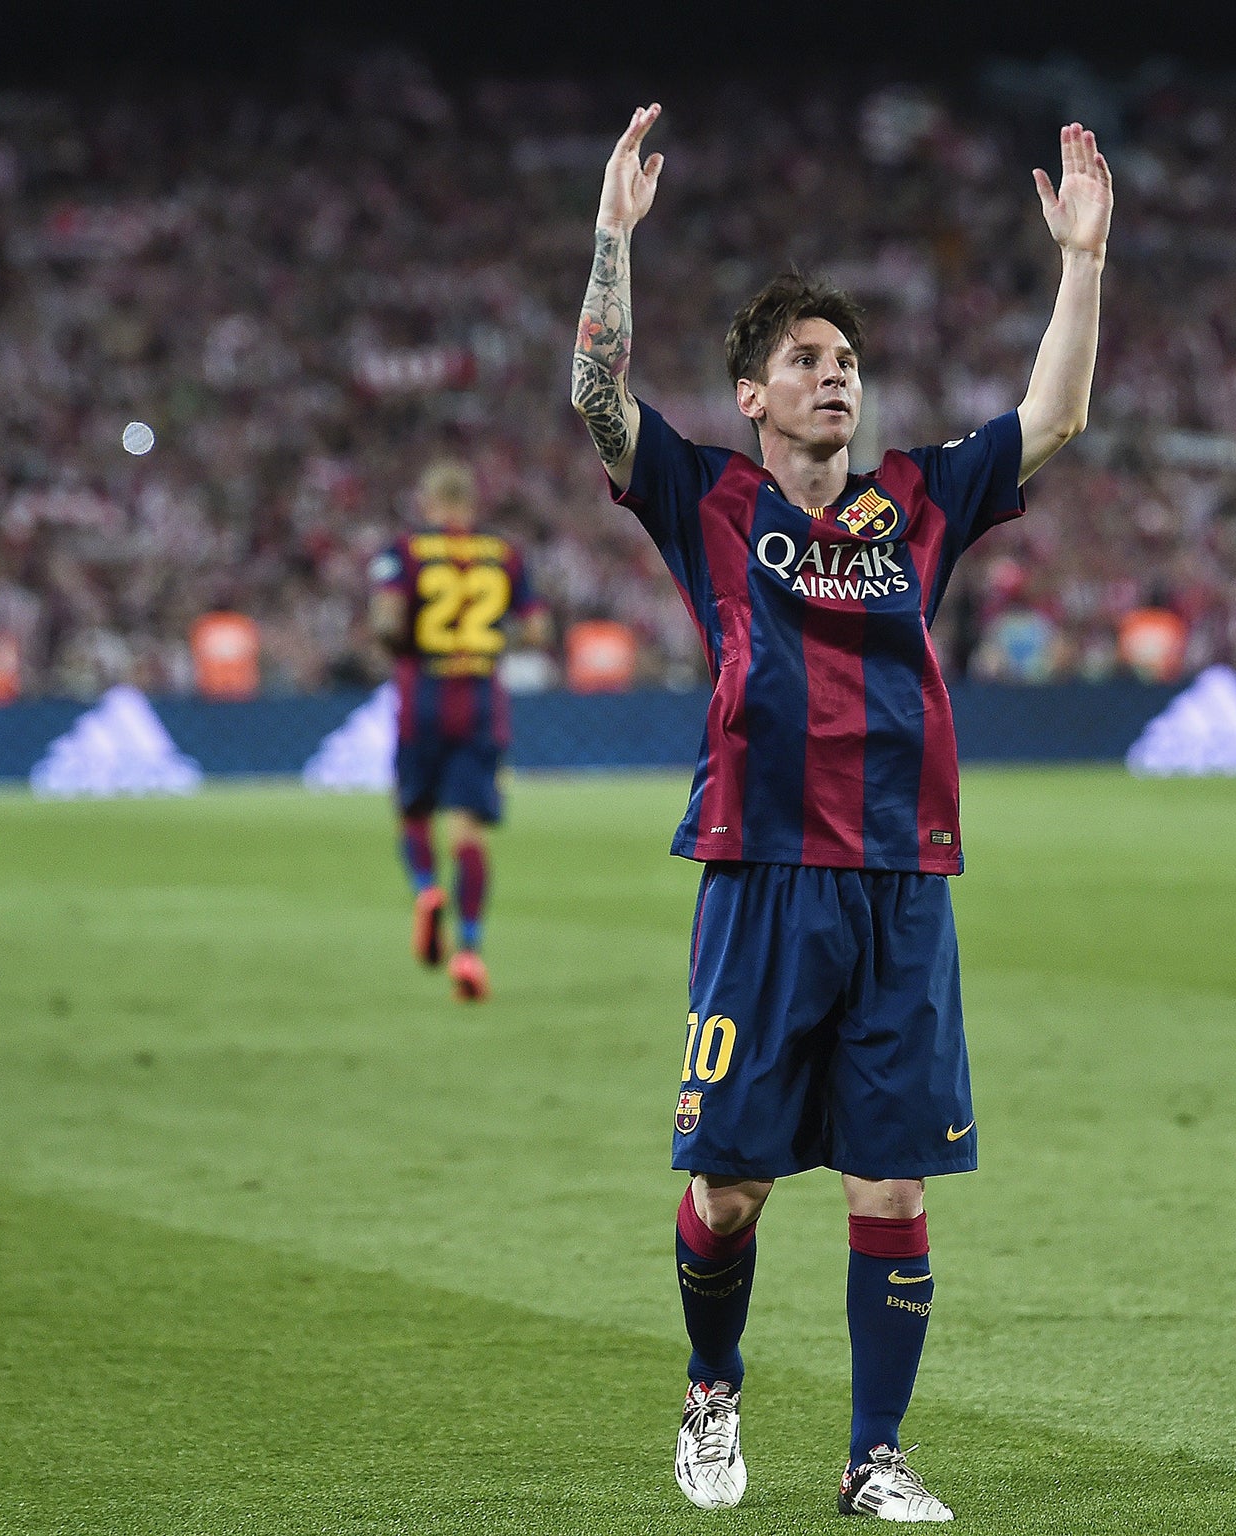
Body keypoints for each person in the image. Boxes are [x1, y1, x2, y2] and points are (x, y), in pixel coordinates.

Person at [570, 104, 1110, 1521]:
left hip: (899, 881)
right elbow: (594, 400)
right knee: (732, 1191)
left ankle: (873, 1458)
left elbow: (1053, 418)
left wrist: (1084, 262)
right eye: (808, 361)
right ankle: (711, 1390)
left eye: (849, 363)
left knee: (891, 1187)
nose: (837, 379)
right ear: (752, 393)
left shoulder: (918, 505)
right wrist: (614, 242)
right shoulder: (705, 497)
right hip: (759, 877)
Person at [368, 459, 547, 998]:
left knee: (413, 811)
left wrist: (404, 650)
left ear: (428, 502)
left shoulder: (403, 551)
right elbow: (537, 631)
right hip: (480, 701)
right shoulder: (505, 554)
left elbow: (386, 621)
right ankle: (469, 951)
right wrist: (488, 644)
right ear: (472, 503)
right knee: (467, 830)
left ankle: (426, 890)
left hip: (422, 696)